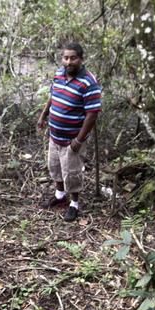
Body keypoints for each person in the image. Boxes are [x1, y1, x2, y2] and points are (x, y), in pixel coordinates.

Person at [37, 42, 102, 221]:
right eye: (66, 58)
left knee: (71, 174)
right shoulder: (59, 73)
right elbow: (53, 96)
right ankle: (59, 195)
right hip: (54, 135)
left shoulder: (89, 82)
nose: (68, 62)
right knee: (55, 167)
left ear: (81, 59)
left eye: (73, 58)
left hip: (72, 139)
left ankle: (74, 204)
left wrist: (79, 140)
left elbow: (92, 114)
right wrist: (43, 115)